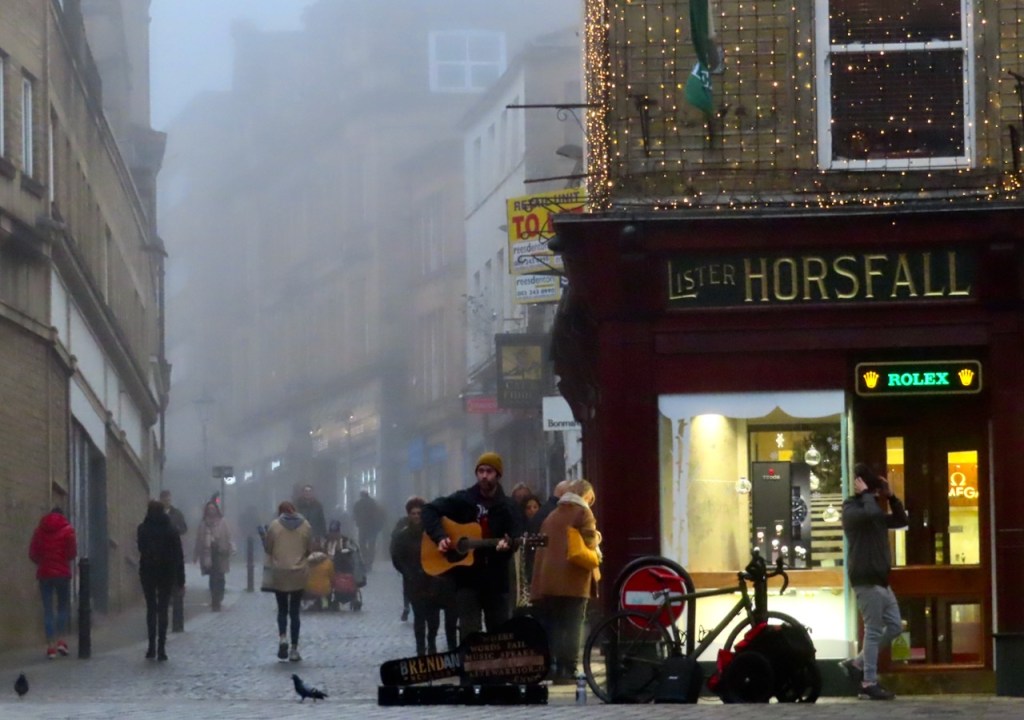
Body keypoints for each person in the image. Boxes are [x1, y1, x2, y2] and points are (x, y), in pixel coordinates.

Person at [421, 451, 521, 641]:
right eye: (481, 471)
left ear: (498, 475)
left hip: (496, 581)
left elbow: (517, 534)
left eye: (489, 471)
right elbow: (429, 510)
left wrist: (509, 544)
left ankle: (496, 669)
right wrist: (440, 536)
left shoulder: (509, 507)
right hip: (467, 579)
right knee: (469, 632)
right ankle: (470, 668)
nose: (484, 475)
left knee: (499, 633)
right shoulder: (463, 500)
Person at [840, 462, 908, 701]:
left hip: (881, 579)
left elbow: (901, 521)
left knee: (895, 627)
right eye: (874, 489)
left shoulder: (875, 510)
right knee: (873, 630)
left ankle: (857, 664)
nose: (877, 494)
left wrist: (891, 497)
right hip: (865, 578)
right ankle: (868, 682)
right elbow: (868, 515)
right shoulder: (850, 508)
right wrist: (867, 494)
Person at [530, 478, 601, 683]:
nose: (590, 503)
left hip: (549, 581)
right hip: (573, 580)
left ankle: (555, 668)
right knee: (573, 626)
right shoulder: (582, 512)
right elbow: (589, 540)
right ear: (585, 495)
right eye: (590, 498)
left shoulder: (552, 515)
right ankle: (568, 670)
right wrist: (598, 536)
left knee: (557, 626)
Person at [390, 497, 443, 655]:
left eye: (419, 513)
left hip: (432, 580)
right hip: (413, 581)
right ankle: (420, 648)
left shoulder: (432, 534)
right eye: (413, 513)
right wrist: (407, 573)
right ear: (409, 515)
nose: (416, 516)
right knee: (419, 616)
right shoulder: (402, 536)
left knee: (433, 617)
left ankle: (432, 643)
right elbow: (397, 557)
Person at [261, 501, 312, 662]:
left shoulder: (274, 526)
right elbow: (309, 548)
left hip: (280, 571)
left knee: (282, 609)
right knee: (295, 611)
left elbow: (268, 548)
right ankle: (294, 649)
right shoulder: (305, 526)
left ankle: (283, 637)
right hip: (298, 572)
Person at [137, 500, 186, 661]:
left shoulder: (143, 529)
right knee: (163, 609)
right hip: (166, 573)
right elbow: (178, 556)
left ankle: (151, 647)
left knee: (151, 608)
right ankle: (161, 648)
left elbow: (141, 548)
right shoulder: (171, 530)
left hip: (148, 572)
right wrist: (181, 580)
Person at [28, 507, 77, 659]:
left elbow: (33, 553)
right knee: (62, 607)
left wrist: (42, 563)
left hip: (45, 574)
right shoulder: (68, 530)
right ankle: (61, 641)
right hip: (62, 574)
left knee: (48, 610)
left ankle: (50, 647)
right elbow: (72, 553)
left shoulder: (39, 531)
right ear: (62, 515)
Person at [193, 500, 232, 611]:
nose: (211, 511)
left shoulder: (223, 522)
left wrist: (230, 548)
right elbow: (199, 539)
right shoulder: (203, 523)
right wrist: (196, 554)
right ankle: (215, 599)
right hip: (208, 553)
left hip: (221, 552)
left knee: (220, 575)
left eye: (213, 508)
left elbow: (228, 535)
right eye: (209, 509)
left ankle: (219, 596)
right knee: (212, 576)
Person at [159, 490, 188, 632]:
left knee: (176, 585)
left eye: (169, 498)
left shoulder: (177, 514)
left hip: (174, 553)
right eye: (165, 498)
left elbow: (184, 528)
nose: (167, 501)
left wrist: (176, 530)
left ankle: (177, 623)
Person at [389, 511, 412, 621]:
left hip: (421, 560)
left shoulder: (424, 523)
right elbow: (395, 539)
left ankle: (409, 606)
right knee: (408, 584)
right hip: (407, 561)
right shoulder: (402, 524)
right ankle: (407, 606)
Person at [353, 489, 384, 569]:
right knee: (371, 544)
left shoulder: (358, 504)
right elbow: (379, 515)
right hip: (372, 527)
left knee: (362, 543)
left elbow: (354, 515)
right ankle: (370, 560)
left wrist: (358, 523)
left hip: (363, 527)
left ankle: (366, 558)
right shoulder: (373, 503)